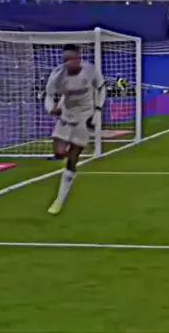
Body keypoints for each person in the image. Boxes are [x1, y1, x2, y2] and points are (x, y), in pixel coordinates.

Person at [44, 44, 105, 215]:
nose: (69, 62)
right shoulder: (57, 75)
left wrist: (98, 110)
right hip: (66, 115)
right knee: (59, 152)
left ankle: (59, 200)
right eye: (66, 59)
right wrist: (51, 109)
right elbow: (49, 95)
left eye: (72, 58)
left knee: (72, 159)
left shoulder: (90, 70)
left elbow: (101, 88)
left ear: (79, 57)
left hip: (85, 116)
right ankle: (67, 151)